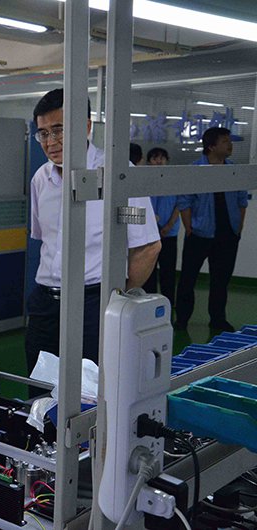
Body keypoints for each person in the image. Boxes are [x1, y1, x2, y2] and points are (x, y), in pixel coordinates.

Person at [25, 88, 160, 377]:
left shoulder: (117, 174)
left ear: (86, 126)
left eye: (59, 130)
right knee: (39, 385)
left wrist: (118, 300)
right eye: (43, 133)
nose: (50, 142)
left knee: (90, 388)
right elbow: (45, 241)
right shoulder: (41, 179)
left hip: (94, 304)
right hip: (45, 304)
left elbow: (147, 246)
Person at [174, 127, 248, 332]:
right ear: (211, 146)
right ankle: (182, 319)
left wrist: (239, 227)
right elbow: (184, 201)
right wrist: (189, 228)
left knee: (221, 281)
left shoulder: (234, 170)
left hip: (228, 234)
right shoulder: (195, 170)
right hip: (199, 234)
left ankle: (217, 319)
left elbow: (242, 200)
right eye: (225, 141)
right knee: (188, 279)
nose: (230, 145)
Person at [143, 148, 179, 308]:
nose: (159, 161)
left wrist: (169, 225)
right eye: (155, 158)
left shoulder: (173, 180)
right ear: (148, 161)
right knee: (148, 272)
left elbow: (179, 204)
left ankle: (168, 305)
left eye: (162, 158)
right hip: (149, 234)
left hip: (169, 232)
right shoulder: (144, 181)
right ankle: (149, 306)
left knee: (168, 272)